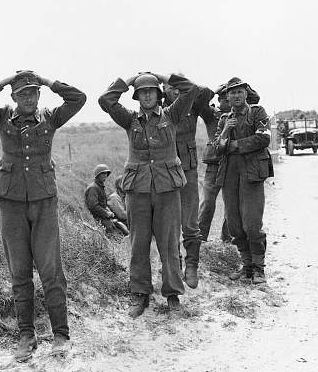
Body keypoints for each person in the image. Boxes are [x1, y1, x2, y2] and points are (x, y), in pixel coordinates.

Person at [0, 70, 86, 361]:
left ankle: (60, 334)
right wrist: (6, 80)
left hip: (44, 200)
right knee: (19, 272)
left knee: (50, 270)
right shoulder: (2, 118)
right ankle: (26, 335)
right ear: (14, 97)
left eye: (33, 92)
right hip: (11, 202)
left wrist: (47, 80)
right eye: (22, 93)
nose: (29, 98)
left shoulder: (51, 118)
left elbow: (78, 98)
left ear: (39, 95)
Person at [99, 72, 198, 317]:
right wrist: (129, 80)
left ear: (159, 93)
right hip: (138, 190)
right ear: (137, 96)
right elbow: (105, 100)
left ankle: (172, 293)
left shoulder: (172, 114)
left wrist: (164, 76)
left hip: (167, 189)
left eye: (152, 90)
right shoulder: (130, 120)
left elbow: (192, 90)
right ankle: (140, 294)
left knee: (169, 242)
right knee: (139, 243)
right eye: (142, 91)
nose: (147, 95)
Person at [213, 77, 272, 284]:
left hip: (252, 173)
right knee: (235, 225)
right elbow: (216, 149)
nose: (236, 96)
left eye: (239, 92)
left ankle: (259, 268)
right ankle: (246, 266)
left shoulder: (257, 112)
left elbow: (263, 138)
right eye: (232, 93)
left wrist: (235, 145)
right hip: (230, 174)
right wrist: (227, 130)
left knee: (252, 223)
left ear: (246, 94)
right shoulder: (223, 120)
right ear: (227, 97)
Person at [162, 81, 215, 289]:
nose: (174, 90)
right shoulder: (160, 109)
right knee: (169, 224)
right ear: (163, 89)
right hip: (165, 172)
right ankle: (175, 265)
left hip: (188, 171)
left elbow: (207, 92)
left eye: (178, 86)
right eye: (169, 86)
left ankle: (192, 265)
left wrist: (172, 78)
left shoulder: (192, 106)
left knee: (191, 222)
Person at [198, 83, 260, 243]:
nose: (225, 101)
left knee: (231, 204)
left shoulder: (246, 113)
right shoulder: (212, 115)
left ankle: (227, 238)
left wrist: (234, 85)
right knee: (208, 202)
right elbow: (202, 99)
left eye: (229, 97)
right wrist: (218, 89)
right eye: (223, 98)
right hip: (214, 163)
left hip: (233, 163)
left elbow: (255, 98)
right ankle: (201, 239)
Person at [85, 165, 129, 236]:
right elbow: (93, 206)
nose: (105, 175)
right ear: (97, 175)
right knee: (117, 236)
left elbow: (103, 204)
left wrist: (109, 212)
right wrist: (106, 213)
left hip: (105, 217)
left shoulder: (100, 187)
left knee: (121, 231)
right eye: (102, 173)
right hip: (99, 218)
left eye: (106, 174)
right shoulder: (93, 188)